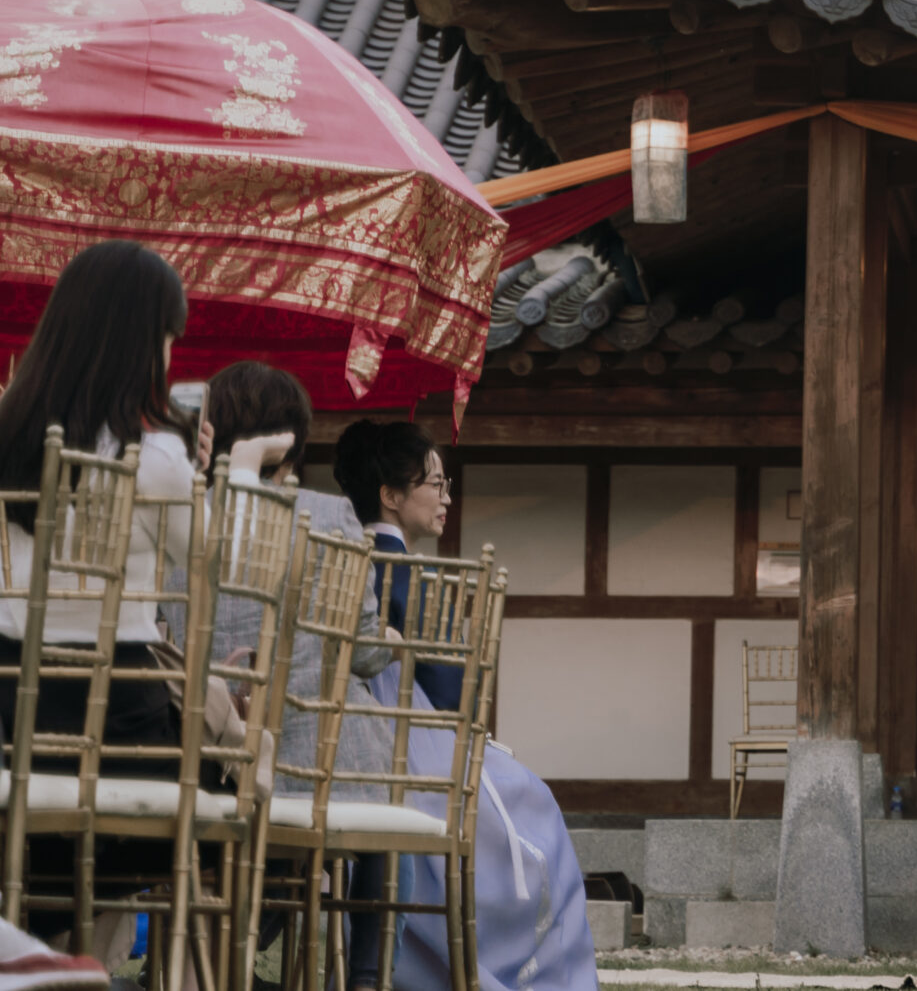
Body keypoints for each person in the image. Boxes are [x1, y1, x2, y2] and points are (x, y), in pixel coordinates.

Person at [332, 422, 597, 991]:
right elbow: (453, 694)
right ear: (391, 495)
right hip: (414, 742)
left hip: (352, 742)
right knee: (535, 804)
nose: (446, 497)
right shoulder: (403, 570)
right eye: (435, 483)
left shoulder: (343, 561)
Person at [0, 240, 206, 903]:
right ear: (140, 344)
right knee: (218, 780)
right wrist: (244, 469)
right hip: (116, 733)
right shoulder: (158, 456)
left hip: (5, 726)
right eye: (167, 341)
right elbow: (216, 563)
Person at [200, 363, 400, 989]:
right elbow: (361, 649)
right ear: (295, 440)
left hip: (201, 757)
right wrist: (391, 640)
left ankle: (211, 960)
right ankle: (365, 974)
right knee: (388, 808)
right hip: (314, 760)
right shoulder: (330, 514)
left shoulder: (178, 508)